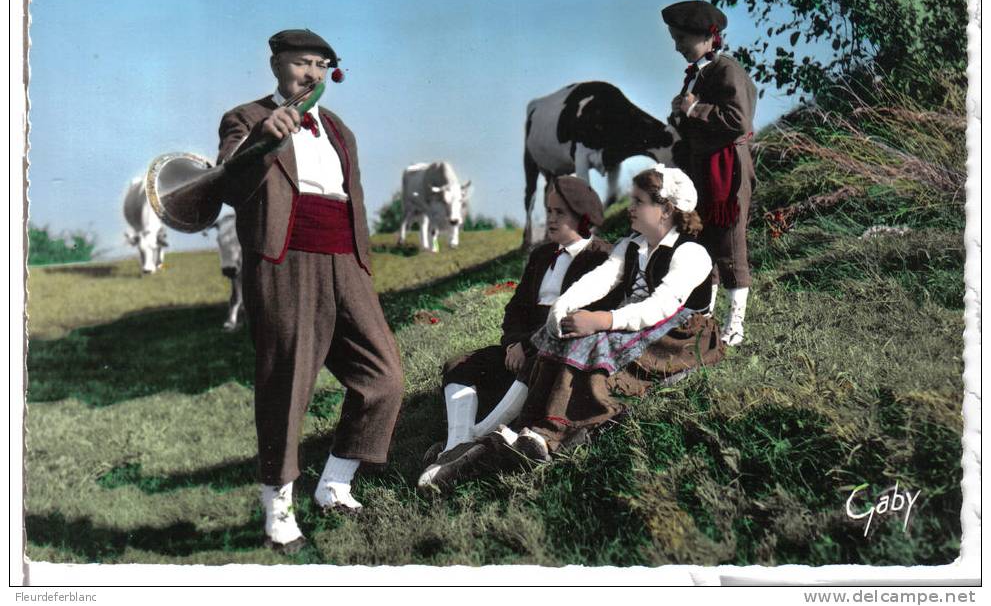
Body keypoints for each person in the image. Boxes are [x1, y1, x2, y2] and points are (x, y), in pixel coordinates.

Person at [217, 29, 404, 552]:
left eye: (323, 66)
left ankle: (335, 483)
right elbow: (228, 186)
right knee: (287, 383)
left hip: (347, 260)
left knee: (384, 375)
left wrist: (361, 264)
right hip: (286, 261)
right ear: (277, 64)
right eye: (304, 64)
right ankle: (278, 506)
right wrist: (263, 140)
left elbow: (352, 197)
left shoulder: (339, 128)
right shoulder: (245, 118)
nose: (314, 76)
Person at [498, 164, 722, 459]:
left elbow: (662, 307)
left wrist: (602, 320)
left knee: (594, 343)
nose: (630, 208)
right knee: (560, 337)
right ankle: (522, 424)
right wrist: (563, 307)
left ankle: (551, 434)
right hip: (641, 326)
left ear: (666, 209)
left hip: (679, 335)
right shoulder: (631, 246)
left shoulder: (690, 252)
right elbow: (599, 280)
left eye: (638, 202)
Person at [416, 176, 612, 490]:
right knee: (461, 364)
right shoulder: (541, 255)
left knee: (538, 366)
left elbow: (578, 321)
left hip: (557, 349)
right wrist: (513, 343)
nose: (550, 219)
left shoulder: (600, 258)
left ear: (581, 216)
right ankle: (457, 445)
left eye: (560, 212)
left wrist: (530, 346)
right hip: (521, 345)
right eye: (548, 211)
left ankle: (469, 444)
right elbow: (515, 308)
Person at [662, 0, 757, 346]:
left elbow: (737, 121)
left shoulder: (726, 70)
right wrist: (680, 115)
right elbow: (698, 126)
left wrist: (695, 109)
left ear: (706, 36)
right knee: (704, 241)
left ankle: (736, 325)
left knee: (729, 239)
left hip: (727, 168)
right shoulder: (698, 74)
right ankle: (705, 317)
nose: (677, 46)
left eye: (681, 38)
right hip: (704, 167)